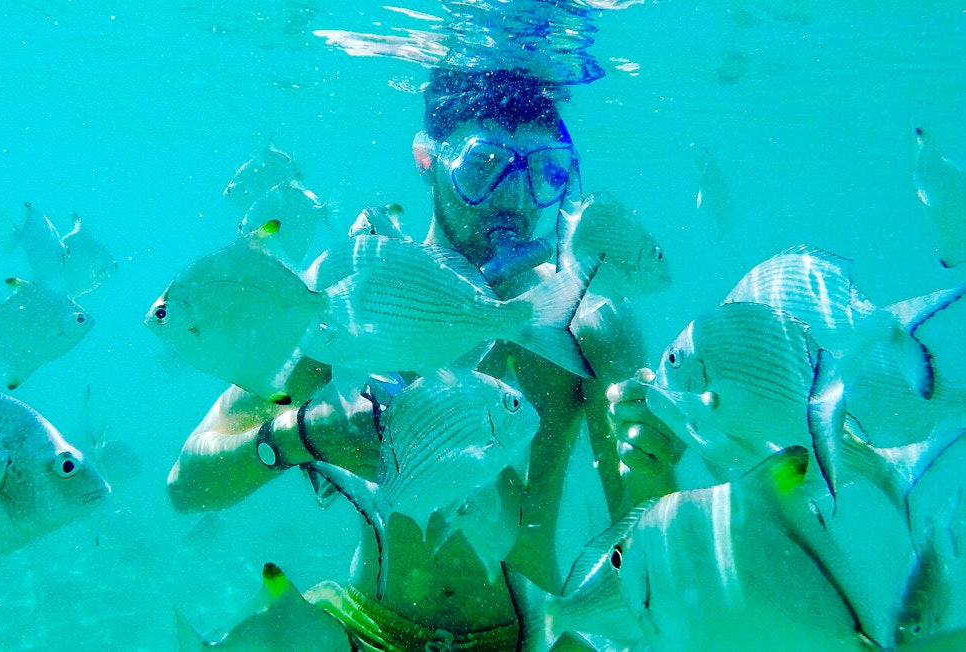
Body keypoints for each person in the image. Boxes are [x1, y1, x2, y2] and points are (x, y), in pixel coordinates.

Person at [167, 66, 682, 650]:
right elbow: (186, 484)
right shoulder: (354, 293)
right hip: (367, 629)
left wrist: (656, 473)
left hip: (529, 637)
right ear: (428, 160)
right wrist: (301, 434)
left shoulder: (590, 324)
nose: (512, 203)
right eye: (483, 168)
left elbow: (658, 567)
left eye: (544, 173)